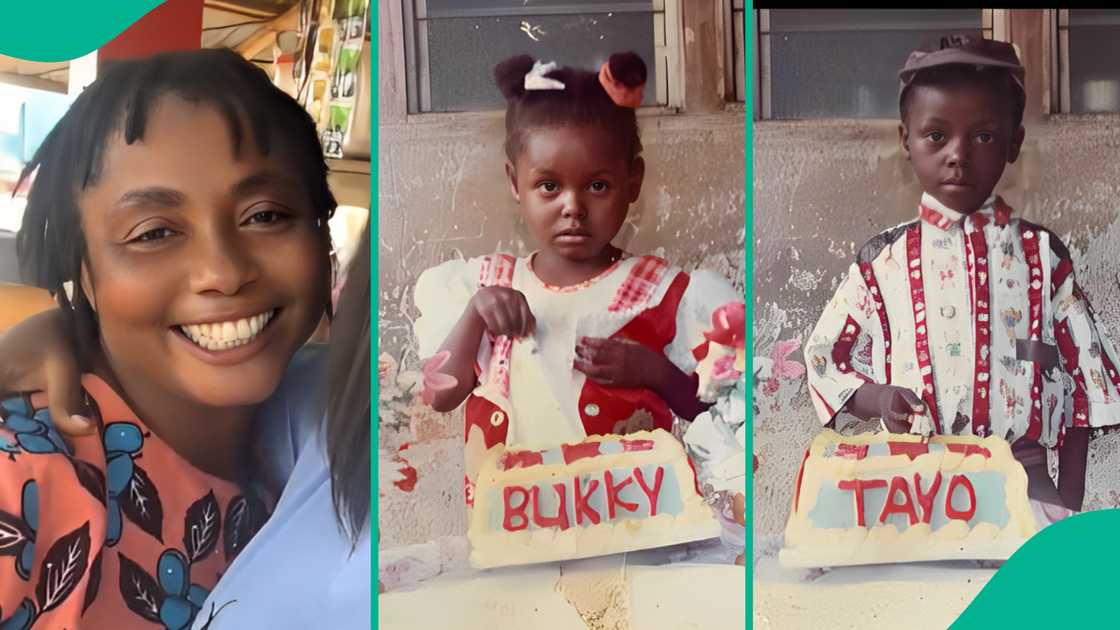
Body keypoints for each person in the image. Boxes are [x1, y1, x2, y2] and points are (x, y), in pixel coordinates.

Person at [0, 48, 334, 629]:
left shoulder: (324, 428)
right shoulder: (24, 482)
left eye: (266, 216)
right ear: (85, 273)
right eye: (153, 232)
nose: (223, 271)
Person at [804, 35, 1120, 522]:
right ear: (905, 140)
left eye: (984, 136)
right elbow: (825, 357)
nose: (958, 153)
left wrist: (1067, 501)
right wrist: (881, 397)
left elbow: (1087, 379)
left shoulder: (1042, 257)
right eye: (937, 135)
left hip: (1024, 488)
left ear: (1014, 143)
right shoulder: (881, 261)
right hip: (912, 497)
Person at [413, 52, 741, 506]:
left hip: (630, 532)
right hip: (514, 536)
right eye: (549, 186)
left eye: (598, 185)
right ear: (515, 183)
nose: (573, 206)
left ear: (633, 181)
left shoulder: (664, 293)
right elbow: (437, 396)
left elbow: (713, 410)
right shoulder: (487, 286)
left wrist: (654, 371)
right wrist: (475, 315)